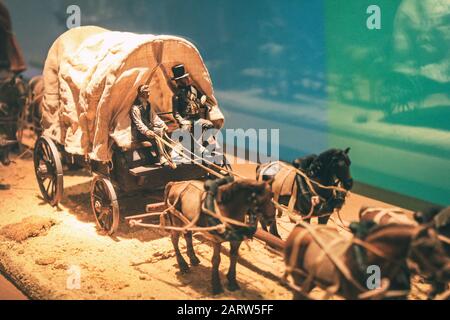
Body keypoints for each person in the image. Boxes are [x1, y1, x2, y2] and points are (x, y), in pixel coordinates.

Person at [171, 64, 216, 157]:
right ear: (178, 81)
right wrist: (182, 121)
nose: (186, 79)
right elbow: (176, 113)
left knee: (209, 124)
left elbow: (201, 96)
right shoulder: (177, 96)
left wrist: (203, 99)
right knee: (185, 130)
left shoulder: (193, 88)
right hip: (186, 119)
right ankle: (197, 148)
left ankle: (207, 146)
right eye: (184, 78)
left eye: (186, 77)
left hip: (197, 118)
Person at [130, 84, 175, 168]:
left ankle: (169, 153)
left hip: (149, 129)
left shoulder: (148, 104)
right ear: (141, 93)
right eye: (146, 92)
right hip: (140, 133)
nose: (148, 94)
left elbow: (154, 117)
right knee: (158, 133)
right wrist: (146, 131)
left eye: (149, 92)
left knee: (162, 130)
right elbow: (138, 123)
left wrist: (163, 124)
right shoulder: (135, 108)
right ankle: (161, 156)